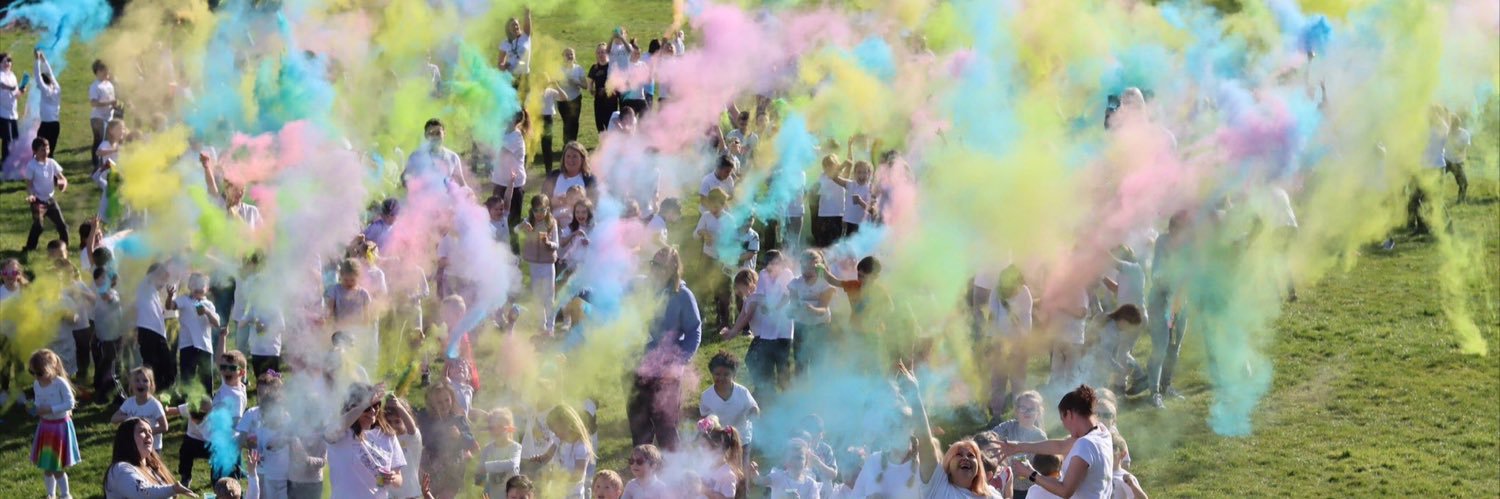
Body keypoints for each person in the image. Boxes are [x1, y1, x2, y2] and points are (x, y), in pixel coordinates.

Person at [629, 246, 702, 451]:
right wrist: (584, 291)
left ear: (673, 268)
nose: (654, 269)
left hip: (666, 371)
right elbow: (614, 301)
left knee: (666, 427)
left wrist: (679, 361)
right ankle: (643, 473)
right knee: (638, 425)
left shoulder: (682, 295)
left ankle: (672, 475)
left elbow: (694, 331)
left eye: (660, 265)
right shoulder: (640, 287)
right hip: (637, 366)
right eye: (653, 263)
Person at [902, 362, 1003, 498]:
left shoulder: (992, 496)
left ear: (979, 467)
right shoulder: (937, 484)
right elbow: (926, 442)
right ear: (948, 466)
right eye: (959, 454)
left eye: (971, 456)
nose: (965, 458)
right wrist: (914, 394)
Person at [1003, 385, 1114, 499]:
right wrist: (1019, 447)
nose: (1065, 427)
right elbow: (1060, 446)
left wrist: (1030, 473)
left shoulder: (1085, 444)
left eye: (1063, 419)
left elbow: (1065, 491)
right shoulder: (1102, 432)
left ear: (1069, 414)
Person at [326, 385, 407, 499]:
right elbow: (329, 435)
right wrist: (365, 403)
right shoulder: (342, 433)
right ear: (352, 408)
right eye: (367, 408)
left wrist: (392, 478)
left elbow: (399, 479)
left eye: (376, 405)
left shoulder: (387, 435)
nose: (373, 411)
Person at [721, 270, 794, 393]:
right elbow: (742, 315)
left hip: (764, 337)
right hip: (759, 337)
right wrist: (732, 330)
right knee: (754, 361)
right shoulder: (748, 299)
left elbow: (748, 316)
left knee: (753, 359)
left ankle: (765, 387)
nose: (739, 291)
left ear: (750, 284)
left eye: (741, 287)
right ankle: (763, 387)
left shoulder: (756, 297)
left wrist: (734, 332)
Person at [29, 349, 82, 499]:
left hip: (59, 427)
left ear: (52, 367)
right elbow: (38, 399)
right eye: (32, 373)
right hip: (45, 427)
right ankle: (50, 494)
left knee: (57, 467)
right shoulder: (37, 383)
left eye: (39, 373)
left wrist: (51, 409)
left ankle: (65, 494)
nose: (36, 377)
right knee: (47, 465)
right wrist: (35, 407)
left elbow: (70, 403)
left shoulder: (60, 383)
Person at [103, 418, 195, 498]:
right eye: (142, 431)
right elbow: (143, 493)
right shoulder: (120, 469)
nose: (149, 435)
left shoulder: (152, 467)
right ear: (128, 438)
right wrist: (173, 489)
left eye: (150, 431)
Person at [699, 351, 760, 454]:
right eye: (717, 374)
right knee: (723, 468)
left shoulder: (742, 392)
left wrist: (754, 412)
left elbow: (754, 409)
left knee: (741, 467)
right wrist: (707, 424)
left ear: (734, 375)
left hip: (742, 438)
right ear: (711, 373)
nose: (721, 378)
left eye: (726, 374)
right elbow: (704, 417)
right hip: (719, 440)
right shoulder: (706, 396)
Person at [520, 194, 560, 335]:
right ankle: (541, 325)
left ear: (547, 209)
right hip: (534, 264)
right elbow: (516, 230)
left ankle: (551, 327)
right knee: (537, 296)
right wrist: (522, 227)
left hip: (548, 264)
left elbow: (557, 244)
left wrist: (549, 243)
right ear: (531, 210)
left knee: (549, 296)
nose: (539, 214)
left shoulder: (551, 223)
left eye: (542, 210)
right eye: (536, 210)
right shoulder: (529, 221)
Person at [22, 137, 69, 254]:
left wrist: (63, 184)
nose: (46, 152)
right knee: (38, 226)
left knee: (62, 226)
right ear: (34, 151)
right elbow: (28, 185)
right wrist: (31, 195)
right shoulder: (31, 166)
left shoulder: (52, 163)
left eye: (47, 149)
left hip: (50, 200)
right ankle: (29, 248)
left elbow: (63, 179)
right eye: (42, 150)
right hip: (38, 201)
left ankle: (64, 248)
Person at [135, 263, 176, 390]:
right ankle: (150, 390)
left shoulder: (154, 294)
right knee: (151, 363)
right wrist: (164, 268)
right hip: (147, 331)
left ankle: (161, 390)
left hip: (158, 333)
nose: (164, 281)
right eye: (162, 277)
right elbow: (153, 273)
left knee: (166, 364)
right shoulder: (145, 286)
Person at [403, 118, 467, 189]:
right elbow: (405, 179)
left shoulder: (453, 157)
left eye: (438, 133)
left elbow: (462, 185)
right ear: (425, 135)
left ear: (444, 134)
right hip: (422, 198)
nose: (434, 137)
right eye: (431, 134)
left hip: (446, 199)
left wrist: (470, 195)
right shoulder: (415, 156)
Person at [751, 439, 823, 499]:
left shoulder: (811, 484)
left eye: (800, 458)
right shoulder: (777, 477)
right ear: (785, 461)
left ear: (806, 462)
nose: (795, 461)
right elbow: (760, 481)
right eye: (792, 457)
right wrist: (754, 474)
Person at [477, 407, 524, 498]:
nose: (496, 431)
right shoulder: (487, 449)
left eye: (500, 426)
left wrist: (487, 466)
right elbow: (481, 475)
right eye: (492, 427)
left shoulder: (516, 447)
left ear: (509, 428)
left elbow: (512, 464)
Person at [492, 111, 529, 228]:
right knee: (496, 219)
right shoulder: (502, 132)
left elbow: (500, 152)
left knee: (512, 223)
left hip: (513, 185)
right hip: (499, 182)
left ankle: (513, 246)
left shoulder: (516, 137)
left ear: (515, 120)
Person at [701, 421, 745, 499]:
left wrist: (705, 491)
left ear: (718, 450)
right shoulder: (709, 468)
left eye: (707, 448)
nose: (704, 451)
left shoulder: (728, 475)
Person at [812, 154, 846, 247]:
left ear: (836, 164)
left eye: (830, 164)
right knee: (823, 243)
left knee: (835, 244)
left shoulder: (842, 176)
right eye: (825, 165)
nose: (828, 167)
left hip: (837, 214)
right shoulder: (822, 176)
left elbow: (848, 163)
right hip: (823, 214)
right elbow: (817, 191)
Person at [88, 59, 117, 168]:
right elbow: (93, 103)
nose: (107, 73)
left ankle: (105, 162)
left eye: (108, 71)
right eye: (105, 71)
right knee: (99, 140)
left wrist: (114, 105)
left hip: (109, 117)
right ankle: (96, 163)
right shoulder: (95, 86)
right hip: (98, 118)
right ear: (98, 71)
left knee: (107, 141)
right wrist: (110, 102)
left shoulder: (109, 84)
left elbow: (112, 99)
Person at [558, 48, 586, 143]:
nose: (570, 56)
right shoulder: (559, 69)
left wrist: (577, 82)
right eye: (567, 54)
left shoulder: (578, 69)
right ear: (563, 57)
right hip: (562, 101)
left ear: (574, 56)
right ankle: (566, 144)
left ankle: (573, 143)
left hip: (575, 99)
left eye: (571, 54)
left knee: (574, 122)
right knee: (566, 122)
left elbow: (585, 85)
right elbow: (554, 83)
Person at [34, 50, 61, 151]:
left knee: (38, 151)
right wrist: (43, 59)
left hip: (46, 125)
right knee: (50, 151)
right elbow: (50, 74)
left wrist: (37, 60)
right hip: (56, 125)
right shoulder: (57, 88)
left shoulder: (45, 90)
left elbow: (38, 76)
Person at [498, 9, 533, 82]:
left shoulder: (525, 36)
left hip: (525, 76)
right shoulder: (504, 43)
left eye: (516, 24)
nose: (515, 27)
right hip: (511, 77)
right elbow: (500, 62)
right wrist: (502, 66)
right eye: (512, 25)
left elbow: (527, 17)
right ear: (508, 29)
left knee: (526, 93)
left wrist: (527, 10)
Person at [588, 44, 615, 134]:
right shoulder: (594, 68)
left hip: (611, 99)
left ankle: (611, 144)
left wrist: (606, 88)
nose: (601, 54)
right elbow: (590, 82)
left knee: (610, 123)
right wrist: (591, 89)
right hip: (599, 100)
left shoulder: (612, 66)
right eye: (598, 52)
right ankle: (603, 143)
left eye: (603, 52)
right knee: (599, 123)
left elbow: (617, 81)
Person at [1445, 112, 1470, 203]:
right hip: (1446, 160)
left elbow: (1462, 148)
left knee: (1464, 183)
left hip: (1458, 162)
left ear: (1458, 124)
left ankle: (1461, 201)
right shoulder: (1446, 132)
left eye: (1453, 124)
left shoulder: (1464, 134)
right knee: (1434, 181)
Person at [0, 53, 20, 163]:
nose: (7, 63)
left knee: (15, 138)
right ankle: (5, 162)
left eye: (9, 61)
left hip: (13, 112)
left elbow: (16, 94)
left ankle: (12, 160)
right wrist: (10, 87)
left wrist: (21, 91)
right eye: (4, 61)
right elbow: (1, 84)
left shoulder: (12, 75)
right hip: (2, 112)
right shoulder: (0, 74)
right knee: (7, 139)